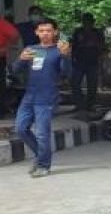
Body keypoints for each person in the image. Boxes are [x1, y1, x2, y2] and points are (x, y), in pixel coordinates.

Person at [14, 19, 71, 177]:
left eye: (49, 30)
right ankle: (40, 156)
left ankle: (44, 165)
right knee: (20, 128)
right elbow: (15, 70)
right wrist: (21, 59)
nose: (45, 33)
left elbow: (66, 73)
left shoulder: (59, 51)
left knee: (42, 133)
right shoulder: (32, 49)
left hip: (47, 97)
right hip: (29, 96)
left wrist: (66, 56)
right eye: (42, 30)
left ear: (55, 33)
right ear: (36, 32)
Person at [69, 13, 106, 113]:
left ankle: (90, 105)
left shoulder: (98, 33)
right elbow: (73, 46)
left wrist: (101, 63)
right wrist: (72, 59)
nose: (87, 23)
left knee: (92, 85)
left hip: (92, 63)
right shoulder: (78, 31)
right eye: (85, 21)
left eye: (89, 21)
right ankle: (79, 104)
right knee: (75, 83)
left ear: (92, 22)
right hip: (79, 62)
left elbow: (102, 48)